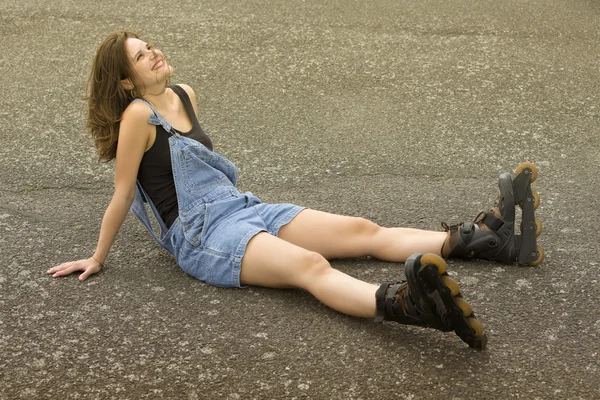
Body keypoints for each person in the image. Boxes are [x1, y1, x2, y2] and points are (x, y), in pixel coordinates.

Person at [47, 30, 543, 350]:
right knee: (309, 267)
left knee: (362, 230)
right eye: (139, 56)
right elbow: (122, 193)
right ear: (127, 82)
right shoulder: (138, 115)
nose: (153, 52)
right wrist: (97, 257)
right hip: (201, 235)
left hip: (242, 207)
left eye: (149, 45)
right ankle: (403, 305)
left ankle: (485, 241)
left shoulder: (184, 94)